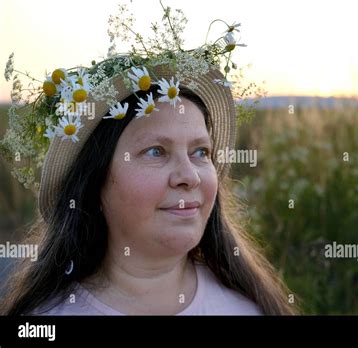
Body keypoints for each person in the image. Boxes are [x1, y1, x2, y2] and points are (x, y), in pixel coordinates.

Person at [0, 4, 297, 316]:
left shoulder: (249, 309)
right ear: (94, 182)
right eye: (156, 151)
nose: (189, 176)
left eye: (200, 152)